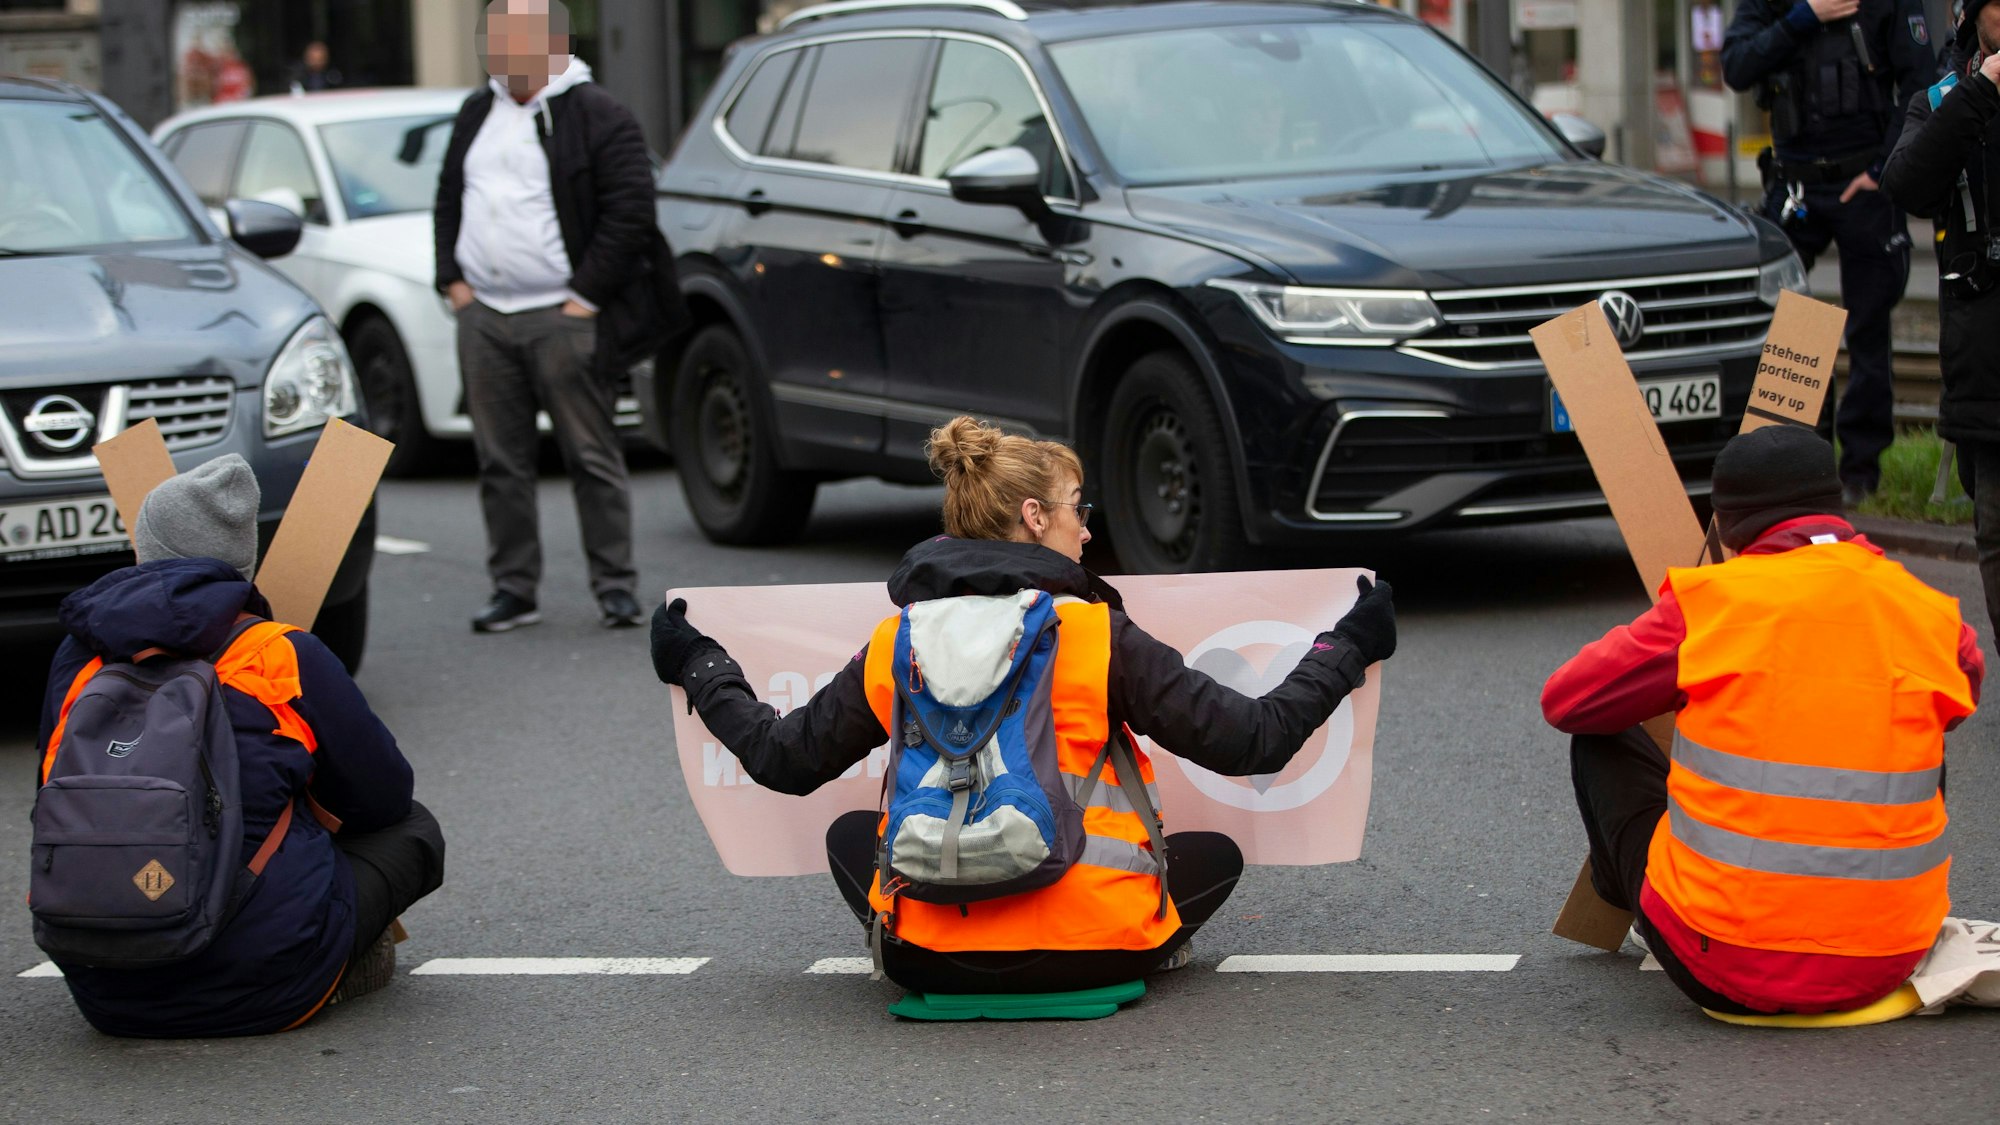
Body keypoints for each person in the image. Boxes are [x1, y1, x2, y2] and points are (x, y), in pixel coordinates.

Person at [650, 417, 1397, 996]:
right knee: (1214, 856)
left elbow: (783, 758)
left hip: (931, 963)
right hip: (1094, 950)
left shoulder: (898, 639)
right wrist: (1347, 645)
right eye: (1080, 507)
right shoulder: (1094, 633)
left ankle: (943, 930)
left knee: (853, 834)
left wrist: (701, 661)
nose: (1089, 525)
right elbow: (1253, 740)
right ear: (1036, 517)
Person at [1543, 426, 1982, 1016]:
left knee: (1600, 733)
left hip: (1719, 959)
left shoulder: (1713, 607)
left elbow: (1566, 700)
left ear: (1725, 527)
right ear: (1837, 507)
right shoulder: (1930, 615)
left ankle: (1621, 890)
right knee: (1919, 722)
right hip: (1889, 960)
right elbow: (1966, 686)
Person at [34, 456, 445, 1036]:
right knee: (412, 831)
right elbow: (381, 798)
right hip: (268, 990)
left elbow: (50, 798)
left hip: (102, 988)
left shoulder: (79, 656)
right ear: (241, 559)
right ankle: (329, 960)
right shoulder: (280, 653)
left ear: (143, 550)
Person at [434, 0, 684, 634]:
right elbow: (447, 199)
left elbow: (631, 211)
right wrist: (454, 284)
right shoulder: (475, 112)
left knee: (590, 453)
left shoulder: (598, 112)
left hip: (563, 313)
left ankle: (615, 587)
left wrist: (583, 300)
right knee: (500, 461)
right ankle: (513, 588)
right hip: (485, 314)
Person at [1723, 0, 1934, 502]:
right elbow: (1736, 65)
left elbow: (1921, 84)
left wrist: (1884, 169)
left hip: (1863, 183)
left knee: (1868, 325)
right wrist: (1806, 16)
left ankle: (1861, 473)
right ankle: (1797, 460)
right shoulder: (1779, 5)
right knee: (1781, 324)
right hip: (1793, 186)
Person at [1880, 0, 2000, 645]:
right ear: (1970, 17)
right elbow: (1908, 185)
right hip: (1985, 351)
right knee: (1995, 530)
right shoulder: (1946, 98)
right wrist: (1983, 93)